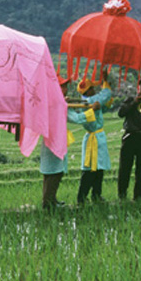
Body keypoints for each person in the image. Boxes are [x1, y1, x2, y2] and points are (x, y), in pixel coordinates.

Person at [40, 76, 100, 209]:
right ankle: (48, 203)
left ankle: (51, 199)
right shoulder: (57, 103)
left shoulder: (52, 100)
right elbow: (77, 118)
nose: (66, 89)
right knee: (54, 172)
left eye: (66, 86)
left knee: (52, 172)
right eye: (63, 86)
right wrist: (92, 110)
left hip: (51, 139)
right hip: (55, 141)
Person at [75, 68, 113, 204]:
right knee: (90, 170)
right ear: (88, 91)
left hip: (98, 138)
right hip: (94, 139)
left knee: (99, 168)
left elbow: (103, 107)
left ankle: (95, 195)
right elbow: (106, 94)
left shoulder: (87, 101)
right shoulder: (90, 100)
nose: (95, 90)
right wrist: (105, 80)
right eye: (92, 88)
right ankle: (83, 197)